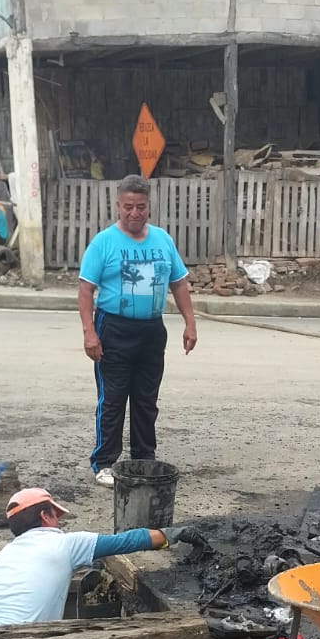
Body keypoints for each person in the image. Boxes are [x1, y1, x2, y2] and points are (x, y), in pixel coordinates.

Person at [78, 175, 198, 487]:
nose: (134, 213)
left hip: (151, 331)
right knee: (113, 398)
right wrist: (89, 333)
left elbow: (179, 283)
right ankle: (105, 462)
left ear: (149, 207)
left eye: (141, 207)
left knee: (146, 399)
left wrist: (190, 323)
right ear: (118, 206)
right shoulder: (103, 243)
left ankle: (144, 457)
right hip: (113, 329)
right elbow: (85, 290)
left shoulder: (162, 240)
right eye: (128, 207)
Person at [0, 487, 190, 629]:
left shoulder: (2, 557)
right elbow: (126, 541)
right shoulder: (66, 543)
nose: (59, 522)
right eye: (56, 516)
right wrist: (172, 534)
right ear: (44, 516)